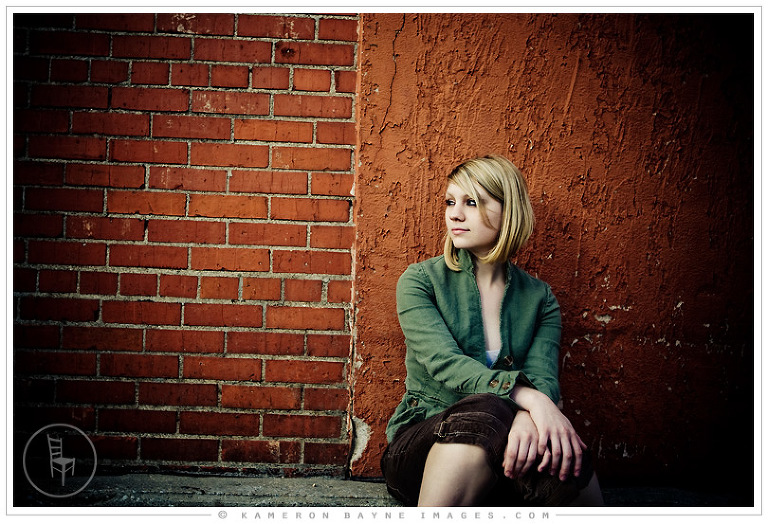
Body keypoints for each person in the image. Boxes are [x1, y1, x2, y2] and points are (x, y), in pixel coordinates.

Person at [380, 155, 604, 507]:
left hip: (511, 452)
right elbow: (445, 363)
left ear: (509, 211)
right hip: (422, 450)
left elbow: (544, 377)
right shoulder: (420, 281)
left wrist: (531, 419)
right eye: (450, 202)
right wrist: (529, 400)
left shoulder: (540, 298)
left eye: (472, 202)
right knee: (486, 412)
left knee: (563, 457)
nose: (454, 214)